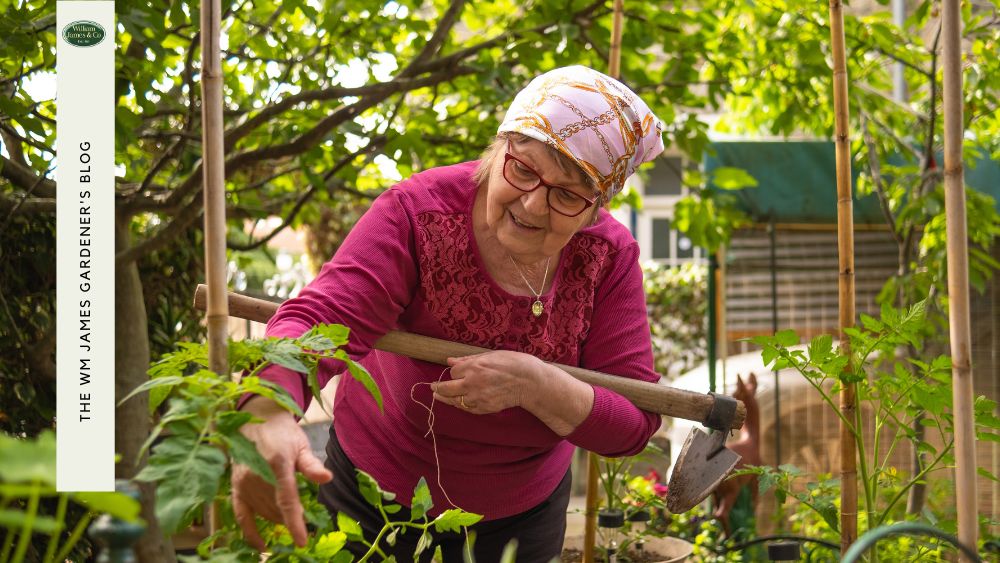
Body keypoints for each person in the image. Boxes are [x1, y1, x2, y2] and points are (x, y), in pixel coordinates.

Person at [233, 65, 666, 562]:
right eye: (522, 168)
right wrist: (267, 407)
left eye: (567, 194)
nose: (531, 203)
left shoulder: (607, 258)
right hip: (374, 497)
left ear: (596, 209)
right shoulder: (418, 213)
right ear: (497, 148)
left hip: (520, 521)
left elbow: (632, 422)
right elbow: (322, 315)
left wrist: (537, 385)